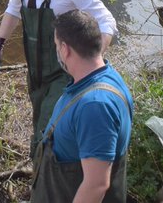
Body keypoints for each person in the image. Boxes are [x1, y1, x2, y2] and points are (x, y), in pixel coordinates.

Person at [0, 0, 118, 146]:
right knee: (39, 122)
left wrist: (92, 63)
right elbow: (13, 9)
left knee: (48, 131)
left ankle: (48, 174)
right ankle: (40, 172)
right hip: (36, 70)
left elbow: (107, 22)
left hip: (64, 73)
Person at [32, 10, 133, 203]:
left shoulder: (95, 106)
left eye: (56, 45)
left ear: (65, 49)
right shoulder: (105, 76)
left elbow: (96, 185)